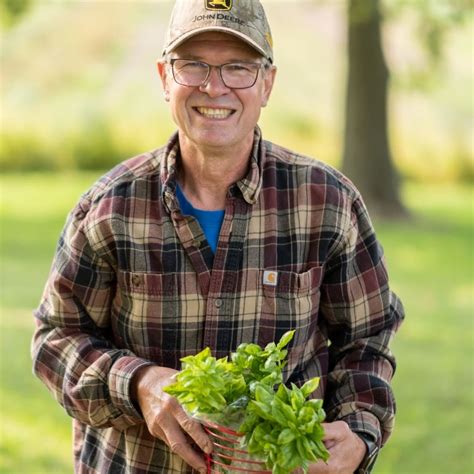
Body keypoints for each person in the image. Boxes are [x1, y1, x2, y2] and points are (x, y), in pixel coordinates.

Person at [31, 0, 404, 473]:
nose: (215, 86)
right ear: (165, 77)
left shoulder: (327, 203)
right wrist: (139, 383)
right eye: (193, 65)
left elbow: (368, 340)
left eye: (237, 67)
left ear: (267, 83)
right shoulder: (110, 207)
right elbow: (55, 337)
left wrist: (359, 432)